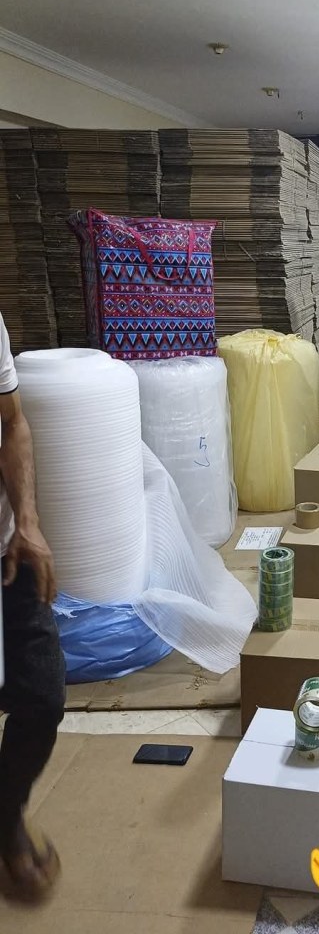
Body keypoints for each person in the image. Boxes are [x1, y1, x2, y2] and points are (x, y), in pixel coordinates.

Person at [0, 314, 64, 900]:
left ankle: (5, 816)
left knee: (42, 696)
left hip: (8, 550)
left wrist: (28, 520)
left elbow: (12, 421)